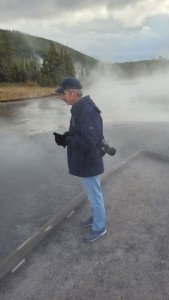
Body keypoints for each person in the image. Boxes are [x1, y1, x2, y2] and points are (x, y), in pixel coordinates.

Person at [53, 77, 106, 242]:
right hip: (84, 161)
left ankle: (100, 227)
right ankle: (95, 218)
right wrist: (67, 136)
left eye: (63, 93)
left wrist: (67, 140)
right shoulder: (78, 108)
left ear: (74, 93)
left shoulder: (88, 111)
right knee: (91, 194)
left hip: (88, 162)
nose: (61, 97)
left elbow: (88, 142)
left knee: (95, 196)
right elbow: (80, 134)